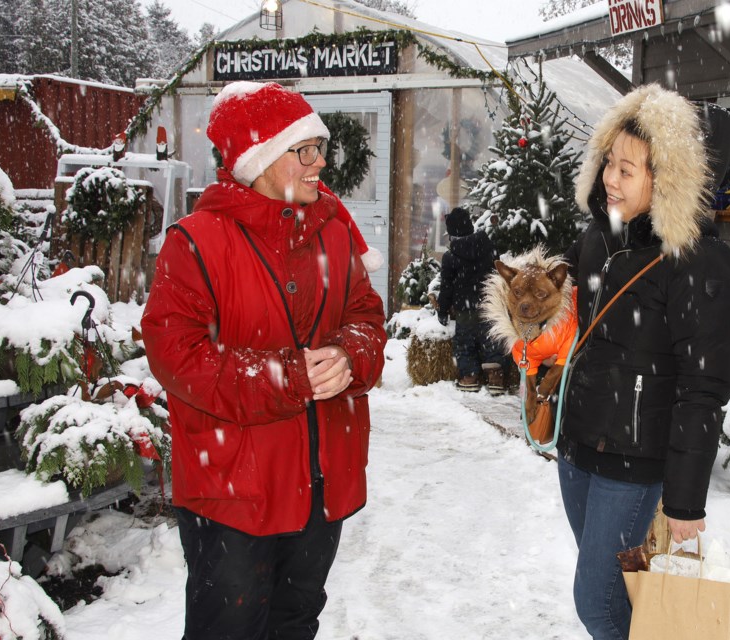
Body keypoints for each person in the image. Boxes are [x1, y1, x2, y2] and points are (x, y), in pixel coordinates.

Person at [140, 81, 386, 640]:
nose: (319, 161)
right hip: (235, 494)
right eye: (304, 149)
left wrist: (351, 356)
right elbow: (178, 355)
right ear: (259, 158)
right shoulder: (197, 242)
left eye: (319, 147)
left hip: (321, 486)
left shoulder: (334, 232)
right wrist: (287, 377)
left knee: (295, 625)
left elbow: (367, 317)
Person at [559, 84, 730, 639]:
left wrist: (685, 502)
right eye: (609, 163)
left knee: (599, 604)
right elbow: (575, 332)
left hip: (635, 467)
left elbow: (702, 387)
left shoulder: (700, 262)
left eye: (628, 170)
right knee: (626, 598)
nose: (609, 179)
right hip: (579, 451)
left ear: (668, 180)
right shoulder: (599, 238)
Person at [437, 206, 507, 394]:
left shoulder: (450, 256)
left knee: (464, 342)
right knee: (492, 340)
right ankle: (495, 378)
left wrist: (442, 310)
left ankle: (469, 377)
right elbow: (497, 275)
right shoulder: (488, 247)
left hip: (464, 308)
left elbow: (446, 286)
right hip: (488, 304)